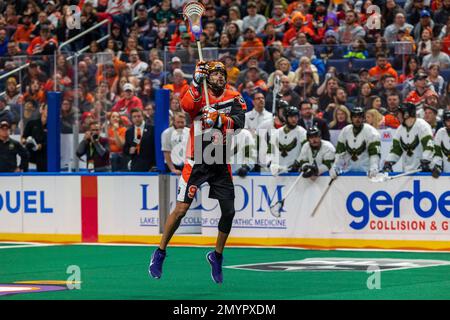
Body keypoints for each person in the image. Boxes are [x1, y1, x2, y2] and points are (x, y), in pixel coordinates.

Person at [149, 60, 246, 284]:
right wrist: (194, 82)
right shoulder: (198, 92)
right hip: (197, 160)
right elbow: (186, 107)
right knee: (182, 209)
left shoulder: (233, 95)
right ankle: (160, 251)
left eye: (222, 74)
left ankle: (217, 256)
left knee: (229, 212)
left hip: (220, 161)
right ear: (206, 77)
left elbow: (240, 123)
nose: (220, 77)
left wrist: (219, 118)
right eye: (214, 74)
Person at [383, 103, 438, 176]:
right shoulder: (400, 129)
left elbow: (429, 146)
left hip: (424, 172)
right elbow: (395, 149)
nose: (397, 116)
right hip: (407, 172)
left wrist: (426, 160)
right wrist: (389, 163)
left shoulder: (422, 125)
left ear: (406, 114)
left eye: (399, 113)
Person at [332, 107, 381, 178]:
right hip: (348, 173)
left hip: (367, 173)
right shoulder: (345, 131)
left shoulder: (372, 132)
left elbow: (374, 153)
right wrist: (335, 166)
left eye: (360, 117)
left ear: (363, 118)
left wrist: (374, 166)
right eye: (355, 117)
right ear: (351, 118)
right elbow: (340, 152)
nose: (357, 119)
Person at [269, 106, 307, 175]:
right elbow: (270, 150)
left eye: (296, 117)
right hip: (278, 171)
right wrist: (269, 161)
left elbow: (306, 151)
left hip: (294, 171)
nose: (294, 119)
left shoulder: (302, 132)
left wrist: (298, 162)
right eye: (291, 117)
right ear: (286, 118)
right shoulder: (276, 133)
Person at [123, 108, 156, 172]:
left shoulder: (151, 129)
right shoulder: (129, 132)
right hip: (135, 164)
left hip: (150, 165)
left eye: (139, 116)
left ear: (143, 117)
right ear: (131, 118)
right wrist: (129, 150)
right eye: (134, 117)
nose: (136, 118)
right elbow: (125, 148)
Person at [22, 104, 48, 172]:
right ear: (42, 110)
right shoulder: (32, 123)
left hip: (44, 154)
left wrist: (41, 145)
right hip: (31, 151)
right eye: (47, 109)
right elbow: (24, 137)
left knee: (42, 159)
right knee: (24, 154)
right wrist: (25, 141)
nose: (49, 111)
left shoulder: (53, 126)